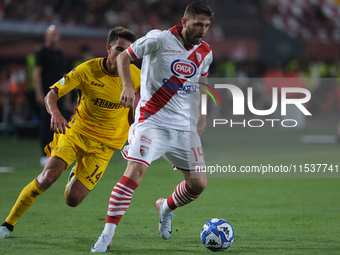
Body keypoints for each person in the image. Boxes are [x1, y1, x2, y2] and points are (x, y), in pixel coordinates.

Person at [91, 1, 214, 253]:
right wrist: (127, 86)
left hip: (184, 126)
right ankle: (106, 236)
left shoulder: (205, 52)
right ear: (184, 22)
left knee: (198, 184)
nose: (203, 30)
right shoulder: (158, 39)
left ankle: (166, 207)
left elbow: (202, 81)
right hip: (152, 120)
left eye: (207, 25)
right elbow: (124, 56)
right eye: (198, 24)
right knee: (134, 173)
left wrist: (202, 115)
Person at [0, 26, 141, 239]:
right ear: (108, 48)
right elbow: (52, 95)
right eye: (119, 49)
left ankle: (75, 174)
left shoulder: (136, 77)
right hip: (76, 133)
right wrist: (55, 113)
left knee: (73, 199)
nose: (124, 56)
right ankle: (7, 225)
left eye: (128, 53)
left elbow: (141, 107)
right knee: (47, 178)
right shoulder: (86, 70)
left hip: (105, 145)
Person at [33, 25, 67, 167]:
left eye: (57, 35)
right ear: (46, 37)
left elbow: (64, 77)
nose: (55, 37)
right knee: (47, 123)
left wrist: (68, 96)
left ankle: (59, 151)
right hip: (48, 96)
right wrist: (39, 92)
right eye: (52, 35)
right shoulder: (42, 53)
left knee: (62, 123)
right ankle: (44, 154)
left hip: (60, 95)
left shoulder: (59, 53)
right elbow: (36, 74)